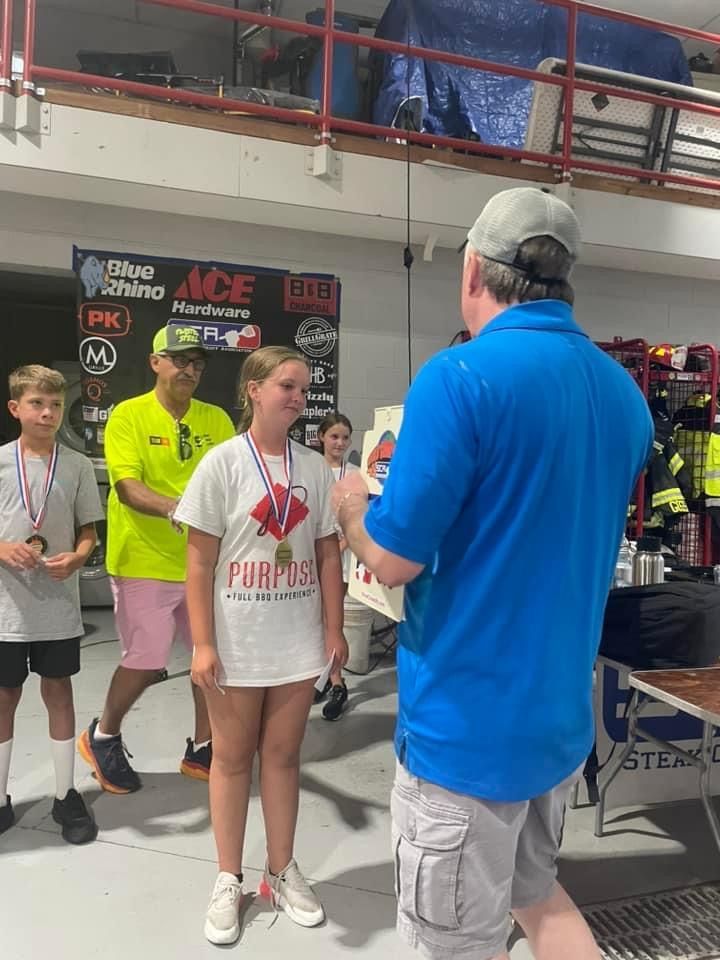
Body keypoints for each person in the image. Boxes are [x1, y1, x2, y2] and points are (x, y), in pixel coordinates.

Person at [333, 187, 654, 960]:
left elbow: (394, 557)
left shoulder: (459, 377)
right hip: (555, 726)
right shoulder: (626, 396)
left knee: (454, 943)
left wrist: (351, 508)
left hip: (465, 733)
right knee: (537, 897)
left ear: (474, 267)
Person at [175, 345, 347, 945]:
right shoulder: (221, 465)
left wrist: (333, 628)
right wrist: (201, 643)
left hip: (297, 640)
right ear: (253, 389)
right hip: (237, 640)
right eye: (287, 385)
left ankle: (281, 868)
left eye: (303, 387)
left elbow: (327, 551)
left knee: (282, 757)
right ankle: (228, 877)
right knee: (229, 759)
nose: (298, 396)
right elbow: (198, 564)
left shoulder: (315, 469)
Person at [78, 325, 236, 794]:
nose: (190, 370)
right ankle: (102, 735)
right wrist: (177, 508)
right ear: (155, 362)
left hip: (202, 564)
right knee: (146, 663)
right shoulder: (128, 416)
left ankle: (202, 748)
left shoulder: (217, 420)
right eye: (180, 360)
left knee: (211, 662)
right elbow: (126, 488)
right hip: (143, 561)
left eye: (198, 364)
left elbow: (231, 483)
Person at [0, 365, 104, 843]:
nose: (48, 413)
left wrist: (80, 558)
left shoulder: (78, 464)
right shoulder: (1, 462)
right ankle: (1, 796)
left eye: (56, 405)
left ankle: (65, 795)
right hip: (7, 609)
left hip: (59, 605)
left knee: (58, 691)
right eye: (37, 404)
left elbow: (88, 531)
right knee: (4, 697)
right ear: (15, 408)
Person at [313, 412, 358, 720]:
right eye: (334, 436)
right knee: (313, 618)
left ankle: (338, 682)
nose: (340, 442)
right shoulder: (310, 468)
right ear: (321, 437)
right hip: (310, 553)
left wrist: (339, 545)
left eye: (345, 437)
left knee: (333, 617)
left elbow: (360, 518)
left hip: (340, 555)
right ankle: (322, 675)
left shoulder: (355, 474)